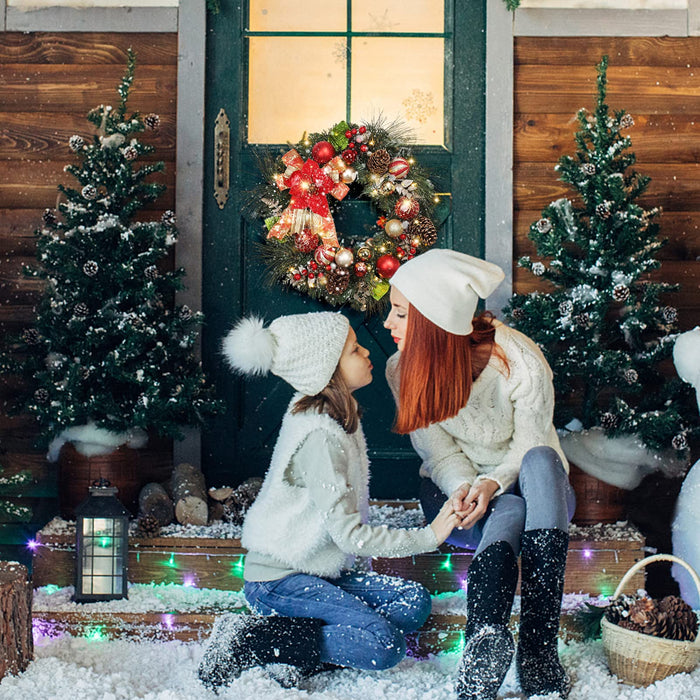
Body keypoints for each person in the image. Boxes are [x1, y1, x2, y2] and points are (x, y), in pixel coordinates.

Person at [198, 311, 459, 690]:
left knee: (412, 602)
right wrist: (430, 535)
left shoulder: (335, 415)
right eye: (354, 350)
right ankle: (251, 640)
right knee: (383, 644)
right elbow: (349, 536)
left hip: (317, 571)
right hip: (280, 579)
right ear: (327, 371)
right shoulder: (320, 436)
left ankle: (300, 640)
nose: (367, 352)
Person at [383, 249, 576, 700]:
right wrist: (467, 489)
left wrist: (493, 482)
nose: (389, 325)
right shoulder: (401, 370)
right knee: (506, 507)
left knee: (541, 463)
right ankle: (486, 638)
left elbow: (531, 445)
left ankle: (537, 646)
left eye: (399, 314)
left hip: (539, 496)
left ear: (434, 324)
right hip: (461, 501)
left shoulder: (518, 361)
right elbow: (440, 454)